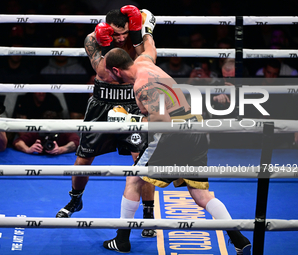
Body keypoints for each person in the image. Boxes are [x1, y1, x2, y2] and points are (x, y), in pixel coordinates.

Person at [102, 34, 251, 254]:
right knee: (200, 193)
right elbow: (150, 47)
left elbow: (162, 120)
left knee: (133, 179)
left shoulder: (142, 86)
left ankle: (122, 240)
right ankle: (239, 239)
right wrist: (145, 30)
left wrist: (130, 119)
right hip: (195, 126)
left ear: (116, 70)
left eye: (108, 74)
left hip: (174, 133)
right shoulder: (144, 62)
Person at [55, 6, 158, 238]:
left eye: (124, 33)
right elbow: (103, 72)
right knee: (84, 158)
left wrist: (138, 34)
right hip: (102, 103)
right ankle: (75, 201)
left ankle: (149, 216)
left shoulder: (134, 36)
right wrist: (104, 43)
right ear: (105, 28)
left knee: (141, 161)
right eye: (116, 34)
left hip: (132, 103)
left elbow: (147, 61)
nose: (121, 38)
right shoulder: (93, 39)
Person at [13, 111, 79, 155]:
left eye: (52, 128)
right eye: (47, 129)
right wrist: (27, 149)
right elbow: (18, 141)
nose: (49, 132)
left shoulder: (63, 132)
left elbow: (76, 141)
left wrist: (61, 149)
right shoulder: (37, 132)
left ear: (58, 126)